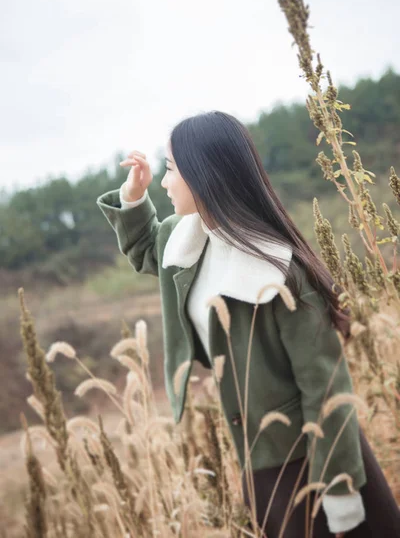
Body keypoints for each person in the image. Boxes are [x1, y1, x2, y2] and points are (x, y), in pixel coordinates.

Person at [96, 111, 399, 537]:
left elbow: (326, 388)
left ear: (204, 176)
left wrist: (341, 491)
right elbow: (148, 249)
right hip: (254, 460)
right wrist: (133, 196)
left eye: (170, 170)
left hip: (310, 459)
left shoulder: (281, 273)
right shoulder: (187, 238)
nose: (164, 183)